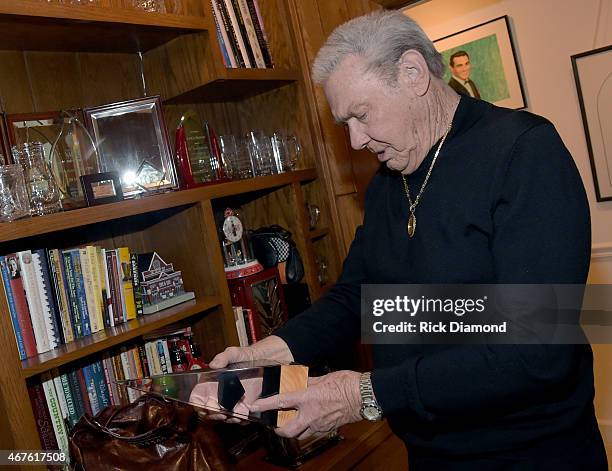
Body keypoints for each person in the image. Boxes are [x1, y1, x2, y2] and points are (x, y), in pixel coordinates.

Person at [199, 10, 607, 470]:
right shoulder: (388, 182)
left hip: (534, 456)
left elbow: (537, 351)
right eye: (344, 124)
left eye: (362, 114)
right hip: (431, 454)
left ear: (413, 74)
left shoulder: (524, 152)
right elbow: (358, 297)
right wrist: (268, 353)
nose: (354, 140)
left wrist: (365, 394)